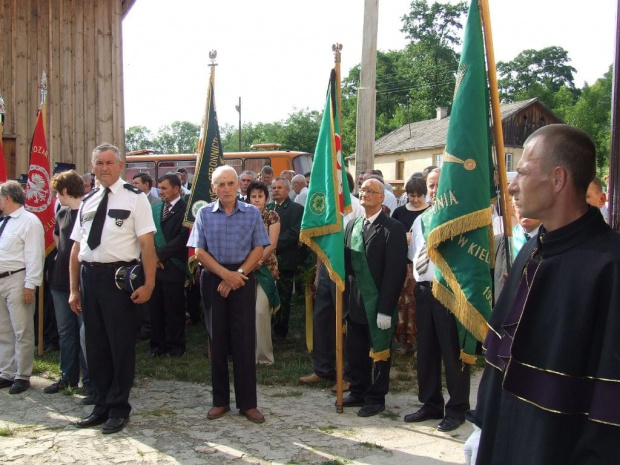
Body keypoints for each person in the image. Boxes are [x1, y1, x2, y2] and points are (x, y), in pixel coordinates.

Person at [465, 125, 620, 465]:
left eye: (522, 171)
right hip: (505, 436)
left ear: (558, 179)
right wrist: (483, 426)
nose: (513, 184)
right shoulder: (534, 248)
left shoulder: (610, 265)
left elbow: (610, 399)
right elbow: (500, 356)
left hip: (557, 447)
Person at [69, 143, 157, 435]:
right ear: (92, 167)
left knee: (119, 345)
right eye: (98, 163)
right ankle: (102, 405)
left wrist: (149, 283)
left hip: (118, 280)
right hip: (89, 277)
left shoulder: (136, 199)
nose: (103, 168)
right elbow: (77, 248)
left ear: (121, 167)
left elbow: (147, 246)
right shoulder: (88, 200)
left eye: (109, 162)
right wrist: (74, 289)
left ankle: (119, 408)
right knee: (95, 345)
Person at [188, 165, 270, 424]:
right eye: (220, 184)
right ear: (213, 188)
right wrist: (225, 275)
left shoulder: (251, 213)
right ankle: (220, 401)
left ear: (239, 186)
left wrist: (238, 275)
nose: (225, 188)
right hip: (214, 278)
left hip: (243, 277)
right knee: (218, 341)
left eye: (230, 183)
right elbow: (199, 252)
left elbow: (260, 247)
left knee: (245, 341)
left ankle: (248, 404)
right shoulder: (203, 214)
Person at [404, 168, 470, 432]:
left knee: (452, 353)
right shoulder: (422, 219)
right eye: (430, 186)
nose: (433, 190)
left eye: (437, 186)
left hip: (449, 294)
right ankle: (431, 403)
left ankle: (457, 409)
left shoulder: (461, 219)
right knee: (427, 352)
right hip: (424, 291)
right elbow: (415, 255)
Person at [341, 178, 407, 416]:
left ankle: (376, 397)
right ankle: (358, 391)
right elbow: (348, 265)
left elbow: (395, 272)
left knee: (379, 351)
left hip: (378, 302)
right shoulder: (353, 226)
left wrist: (386, 308)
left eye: (371, 191)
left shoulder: (393, 228)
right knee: (356, 350)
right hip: (355, 301)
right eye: (363, 190)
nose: (365, 194)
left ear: (382, 197)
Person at [299, 171, 364, 391]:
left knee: (345, 321)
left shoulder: (355, 206)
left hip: (347, 268)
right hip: (326, 269)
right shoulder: (325, 206)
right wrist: (318, 273)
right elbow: (321, 243)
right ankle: (322, 369)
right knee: (322, 319)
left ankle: (346, 374)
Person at [45, 171, 92, 402]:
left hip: (82, 282)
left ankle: (90, 380)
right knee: (65, 332)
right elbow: (57, 236)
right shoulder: (62, 212)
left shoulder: (88, 212)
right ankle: (68, 376)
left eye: (57, 191)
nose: (57, 196)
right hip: (59, 281)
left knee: (85, 333)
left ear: (64, 190)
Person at [0, 180, 45, 395]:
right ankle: (6, 372)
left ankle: (23, 374)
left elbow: (35, 256)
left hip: (18, 280)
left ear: (7, 197)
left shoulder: (29, 221)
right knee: (3, 330)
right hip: (1, 280)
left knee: (22, 330)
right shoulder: (4, 221)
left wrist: (30, 285)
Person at [148, 174, 190, 358]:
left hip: (173, 265)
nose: (161, 191)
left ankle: (176, 344)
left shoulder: (186, 209)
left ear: (176, 188)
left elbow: (183, 237)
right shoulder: (156, 209)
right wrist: (153, 257)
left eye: (164, 188)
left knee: (174, 307)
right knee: (155, 307)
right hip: (155, 267)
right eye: (160, 188)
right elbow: (147, 234)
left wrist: (160, 255)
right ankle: (158, 344)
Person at [391, 176, 429, 355]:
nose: (415, 199)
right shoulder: (399, 212)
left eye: (418, 196)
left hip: (421, 265)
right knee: (403, 304)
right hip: (402, 264)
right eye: (411, 195)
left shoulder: (430, 212)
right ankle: (405, 342)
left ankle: (420, 342)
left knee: (417, 304)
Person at [247, 181, 280, 365]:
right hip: (244, 269)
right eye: (253, 196)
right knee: (247, 313)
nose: (256, 199)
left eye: (260, 196)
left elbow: (272, 244)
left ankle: (264, 357)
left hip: (265, 268)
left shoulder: (272, 216)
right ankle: (247, 354)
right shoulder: (242, 215)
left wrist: (257, 261)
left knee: (261, 311)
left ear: (266, 199)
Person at [267, 177, 304, 340]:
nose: (275, 190)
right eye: (273, 188)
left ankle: (280, 330)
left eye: (279, 187)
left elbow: (294, 233)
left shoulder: (296, 209)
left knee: (284, 295)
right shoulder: (267, 208)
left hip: (285, 260)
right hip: (265, 259)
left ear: (288, 189)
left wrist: (271, 244)